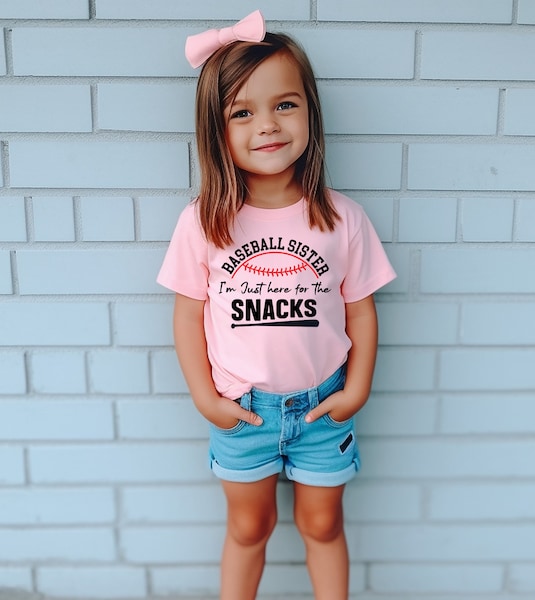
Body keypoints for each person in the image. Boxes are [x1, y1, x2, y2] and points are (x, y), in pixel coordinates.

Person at [157, 10, 396, 600]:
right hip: (245, 413)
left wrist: (357, 388)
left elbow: (361, 311)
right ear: (216, 130)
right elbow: (188, 315)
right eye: (242, 112)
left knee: (322, 524)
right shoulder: (204, 222)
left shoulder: (342, 218)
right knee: (248, 526)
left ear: (311, 111)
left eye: (284, 105)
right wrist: (205, 397)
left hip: (323, 410)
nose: (267, 125)